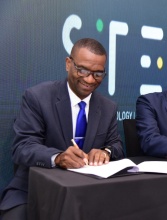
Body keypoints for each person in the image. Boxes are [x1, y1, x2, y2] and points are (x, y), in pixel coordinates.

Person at [0, 38, 124, 219]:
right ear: (68, 64)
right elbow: (22, 147)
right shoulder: (38, 97)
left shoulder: (108, 107)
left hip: (87, 193)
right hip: (33, 191)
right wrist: (57, 157)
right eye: (83, 70)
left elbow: (116, 144)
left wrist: (106, 151)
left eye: (98, 74)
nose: (90, 79)